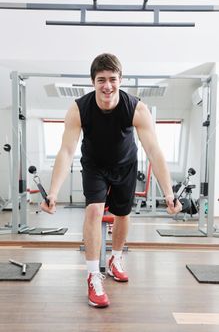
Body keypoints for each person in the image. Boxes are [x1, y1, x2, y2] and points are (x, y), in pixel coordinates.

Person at [41, 53, 182, 308]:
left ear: (121, 79)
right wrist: (53, 192)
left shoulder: (136, 108)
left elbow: (154, 151)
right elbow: (66, 150)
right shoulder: (79, 109)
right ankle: (94, 275)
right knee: (94, 211)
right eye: (101, 79)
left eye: (112, 79)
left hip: (125, 164)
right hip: (94, 164)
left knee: (122, 214)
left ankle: (116, 258)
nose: (107, 85)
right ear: (93, 81)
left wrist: (169, 194)